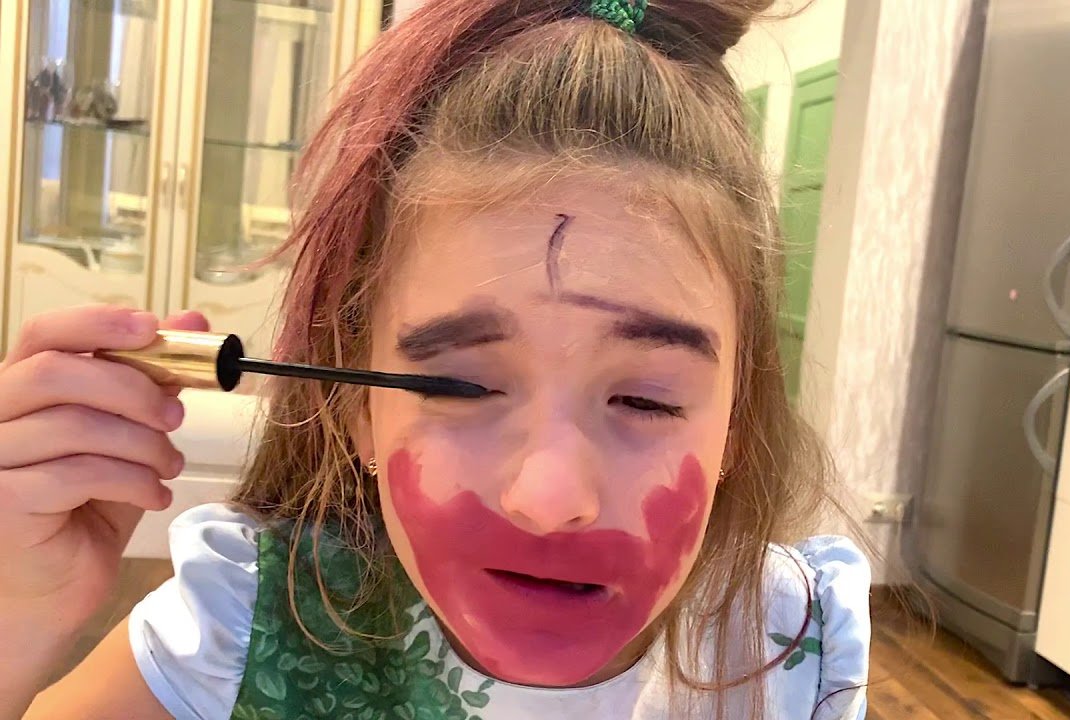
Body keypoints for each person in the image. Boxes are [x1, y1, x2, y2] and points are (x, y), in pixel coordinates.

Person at [0, 1, 871, 718]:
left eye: (646, 400)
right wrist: (19, 613)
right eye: (464, 386)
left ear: (735, 424)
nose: (550, 497)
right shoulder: (238, 636)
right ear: (356, 406)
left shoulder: (791, 659)